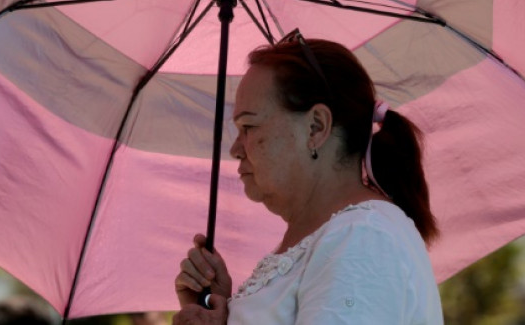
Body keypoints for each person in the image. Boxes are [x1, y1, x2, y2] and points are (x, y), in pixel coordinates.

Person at [173, 30, 443, 324]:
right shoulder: (343, 237)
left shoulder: (362, 238)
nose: (236, 149)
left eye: (248, 126)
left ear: (315, 127)